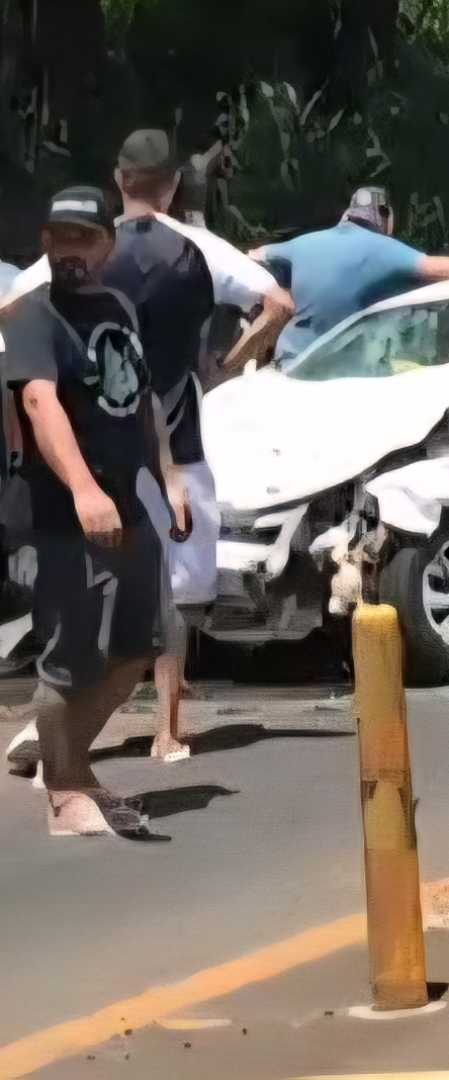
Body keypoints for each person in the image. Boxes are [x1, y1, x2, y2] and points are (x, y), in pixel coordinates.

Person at [0, 185, 186, 839]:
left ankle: (70, 768)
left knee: (138, 649)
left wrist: (167, 475)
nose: (70, 250)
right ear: (46, 243)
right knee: (69, 658)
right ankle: (64, 794)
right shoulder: (32, 317)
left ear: (107, 244)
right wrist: (81, 488)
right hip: (62, 516)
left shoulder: (119, 309)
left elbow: (141, 400)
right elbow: (39, 403)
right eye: (60, 238)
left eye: (84, 238)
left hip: (128, 504)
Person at [106, 129, 294, 762]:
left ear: (118, 180)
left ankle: (66, 728)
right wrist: (225, 362)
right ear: (174, 186)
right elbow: (278, 304)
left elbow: (10, 311)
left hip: (99, 446)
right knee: (178, 587)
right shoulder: (198, 249)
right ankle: (167, 730)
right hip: (176, 438)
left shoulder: (84, 249)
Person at [249, 186, 449, 361]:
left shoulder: (302, 243)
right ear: (383, 214)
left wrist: (275, 293)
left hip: (288, 358)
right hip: (339, 366)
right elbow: (434, 268)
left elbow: (254, 256)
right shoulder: (383, 249)